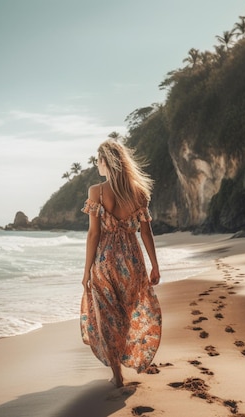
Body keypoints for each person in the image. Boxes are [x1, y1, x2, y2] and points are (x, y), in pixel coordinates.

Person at [80, 139, 162, 388]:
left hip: (104, 261)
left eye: (98, 160)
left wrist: (86, 272)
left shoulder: (97, 192)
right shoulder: (139, 192)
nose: (97, 164)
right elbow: (146, 233)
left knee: (106, 316)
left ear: (106, 161)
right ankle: (126, 355)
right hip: (132, 261)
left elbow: (94, 234)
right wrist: (154, 265)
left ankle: (117, 374)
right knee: (127, 313)